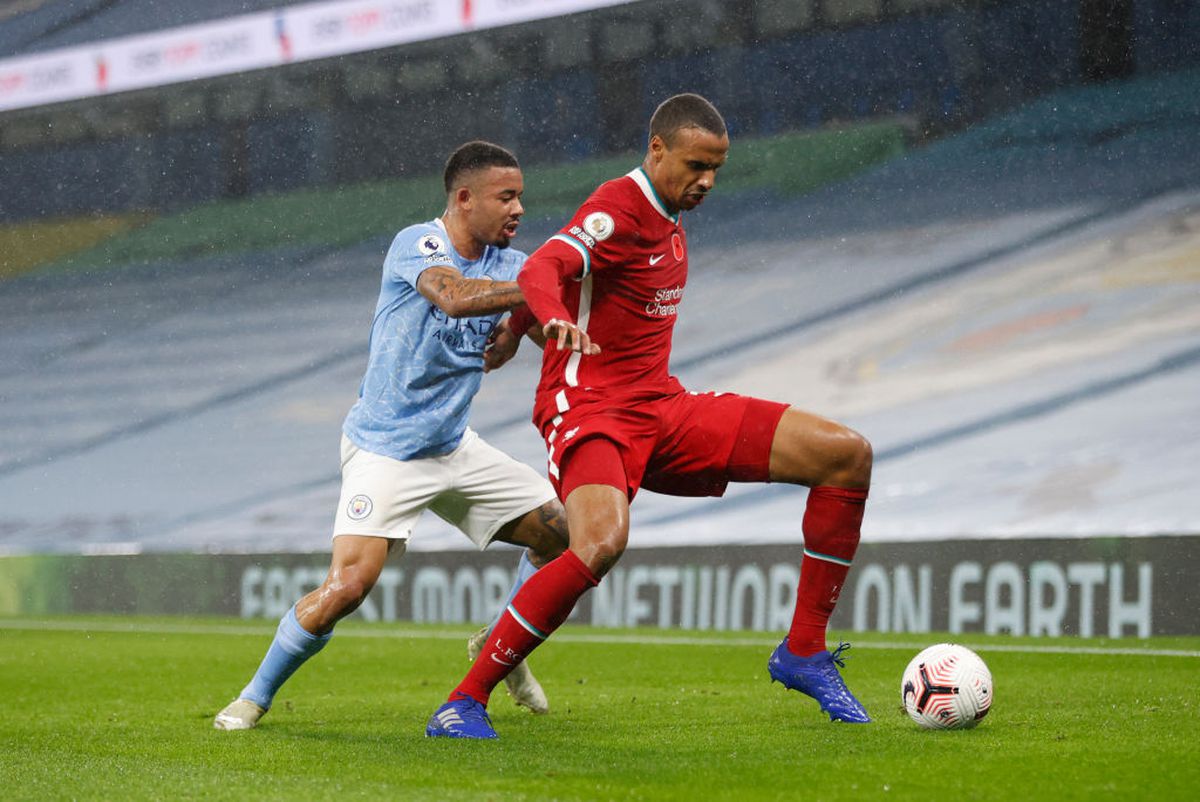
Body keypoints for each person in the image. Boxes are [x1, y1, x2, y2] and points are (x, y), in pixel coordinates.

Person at [425, 95, 874, 740]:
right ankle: (462, 702)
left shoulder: (666, 214)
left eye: (716, 168)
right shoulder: (618, 208)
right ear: (656, 148)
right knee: (600, 544)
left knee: (846, 455)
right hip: (588, 409)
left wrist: (520, 321)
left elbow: (586, 280)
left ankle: (804, 650)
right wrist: (545, 315)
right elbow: (550, 264)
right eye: (696, 165)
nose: (707, 182)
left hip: (658, 406)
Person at [214, 140, 597, 731]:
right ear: (464, 199)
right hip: (386, 451)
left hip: (453, 446)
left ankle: (502, 646)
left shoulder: (513, 264)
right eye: (507, 196)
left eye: (521, 195)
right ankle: (254, 696)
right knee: (347, 587)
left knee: (571, 535)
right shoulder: (419, 243)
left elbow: (540, 327)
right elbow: (451, 295)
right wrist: (539, 290)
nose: (520, 208)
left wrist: (529, 329)